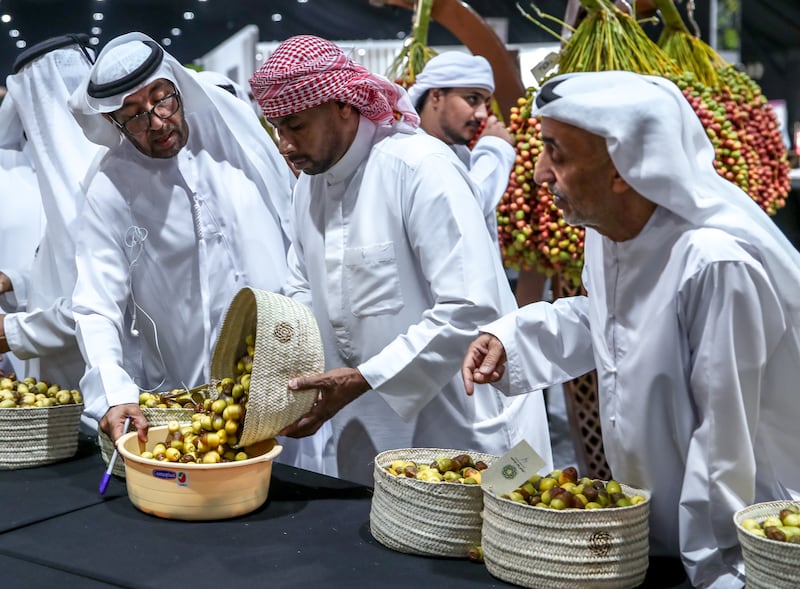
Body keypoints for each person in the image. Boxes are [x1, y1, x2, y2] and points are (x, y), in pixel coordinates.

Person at [461, 70, 800, 588]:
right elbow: (615, 321)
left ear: (624, 166)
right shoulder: (614, 231)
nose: (538, 175)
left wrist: (715, 571)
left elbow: (723, 442)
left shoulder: (714, 262)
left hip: (733, 543)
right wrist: (515, 337)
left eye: (557, 153)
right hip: (656, 531)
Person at [248, 35, 552, 486]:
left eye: (295, 125)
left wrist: (364, 379)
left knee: (488, 547)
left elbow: (471, 310)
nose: (284, 145)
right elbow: (301, 290)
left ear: (344, 106)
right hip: (365, 427)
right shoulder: (308, 188)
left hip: (470, 427)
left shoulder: (419, 168)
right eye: (277, 128)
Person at [68, 33, 296, 445]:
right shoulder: (111, 187)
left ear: (178, 85)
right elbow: (96, 302)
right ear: (111, 121)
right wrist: (114, 392)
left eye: (162, 99)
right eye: (133, 115)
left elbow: (291, 220)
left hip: (289, 363)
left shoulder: (231, 125)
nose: (156, 122)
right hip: (194, 392)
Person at [0, 35, 100, 418]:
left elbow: (95, 304)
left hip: (99, 388)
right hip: (60, 383)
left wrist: (10, 332)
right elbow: (55, 257)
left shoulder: (93, 178)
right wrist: (13, 280)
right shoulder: (61, 173)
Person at [407, 51, 514, 242]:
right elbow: (463, 210)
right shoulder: (413, 154)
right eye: (472, 99)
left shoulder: (456, 150)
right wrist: (495, 150)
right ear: (436, 96)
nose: (482, 114)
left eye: (485, 102)